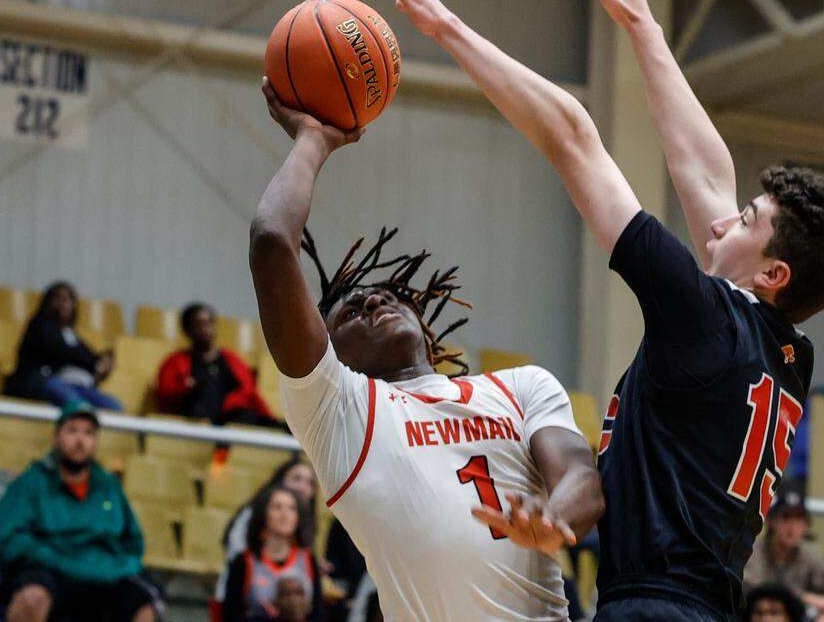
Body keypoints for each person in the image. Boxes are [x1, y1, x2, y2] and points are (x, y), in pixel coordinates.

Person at [348, 0, 824, 621]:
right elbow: (705, 169)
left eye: (747, 220)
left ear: (772, 272)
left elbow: (572, 135)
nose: (723, 216)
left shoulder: (704, 318)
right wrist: (642, 26)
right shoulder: (785, 351)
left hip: (650, 607)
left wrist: (444, 26)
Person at [249, 35, 604, 617]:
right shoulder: (339, 411)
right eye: (349, 311)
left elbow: (582, 477)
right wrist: (314, 140)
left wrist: (552, 519)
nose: (371, 302)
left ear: (423, 321)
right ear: (329, 350)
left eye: (385, 294)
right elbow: (271, 242)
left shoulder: (521, 387)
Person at [0, 401, 160, 621]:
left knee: (144, 606)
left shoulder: (109, 487)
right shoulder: (29, 484)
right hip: (48, 571)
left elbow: (133, 543)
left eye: (89, 433)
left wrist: (112, 566)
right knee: (33, 597)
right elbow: (10, 541)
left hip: (103, 577)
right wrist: (57, 558)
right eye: (72, 431)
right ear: (56, 437)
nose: (80, 441)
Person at [214, 457, 320, 616]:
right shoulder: (245, 559)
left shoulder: (307, 557)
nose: (303, 487)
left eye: (309, 482)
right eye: (297, 478)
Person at [156, 302, 280, 426]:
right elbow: (165, 396)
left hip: (231, 419)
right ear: (187, 329)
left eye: (208, 323)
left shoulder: (232, 360)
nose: (204, 329)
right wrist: (185, 388)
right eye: (198, 324)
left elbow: (249, 393)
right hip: (194, 422)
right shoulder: (174, 363)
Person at [744, 488, 824, 620]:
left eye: (799, 519)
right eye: (786, 518)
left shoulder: (810, 555)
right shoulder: (752, 550)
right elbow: (756, 591)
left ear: (806, 526)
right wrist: (806, 598)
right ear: (772, 522)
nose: (792, 527)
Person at [4, 281, 122, 410]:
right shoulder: (40, 324)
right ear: (47, 301)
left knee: (113, 406)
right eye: (59, 298)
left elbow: (86, 355)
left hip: (70, 385)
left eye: (69, 299)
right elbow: (62, 350)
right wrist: (95, 363)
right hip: (38, 382)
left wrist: (103, 360)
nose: (64, 303)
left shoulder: (70, 334)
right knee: (78, 406)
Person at [222, 485, 327, 622]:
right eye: (277, 507)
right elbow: (231, 614)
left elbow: (318, 613)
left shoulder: (308, 559)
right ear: (263, 514)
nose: (284, 514)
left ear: (298, 517)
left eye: (292, 508)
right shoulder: (243, 561)